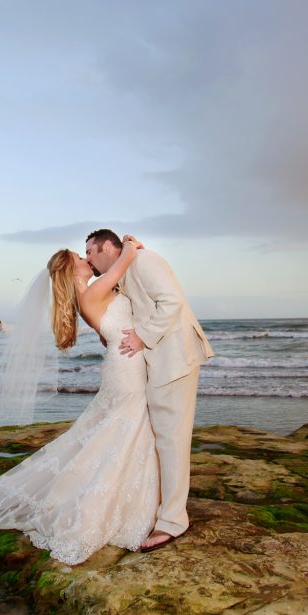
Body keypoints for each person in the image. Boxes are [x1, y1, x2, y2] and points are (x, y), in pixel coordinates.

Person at [0, 236, 160, 566]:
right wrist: (130, 248)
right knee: (124, 432)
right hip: (126, 371)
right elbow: (122, 266)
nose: (85, 258)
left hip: (123, 365)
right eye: (80, 256)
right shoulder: (91, 291)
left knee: (114, 434)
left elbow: (109, 334)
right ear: (69, 268)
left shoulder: (88, 293)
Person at [84, 229, 214, 552]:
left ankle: (173, 522)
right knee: (163, 438)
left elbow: (172, 301)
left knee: (172, 439)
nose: (87, 258)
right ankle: (165, 510)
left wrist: (142, 335)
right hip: (160, 362)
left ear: (108, 247)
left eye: (90, 252)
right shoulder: (126, 269)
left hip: (175, 358)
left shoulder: (144, 261)